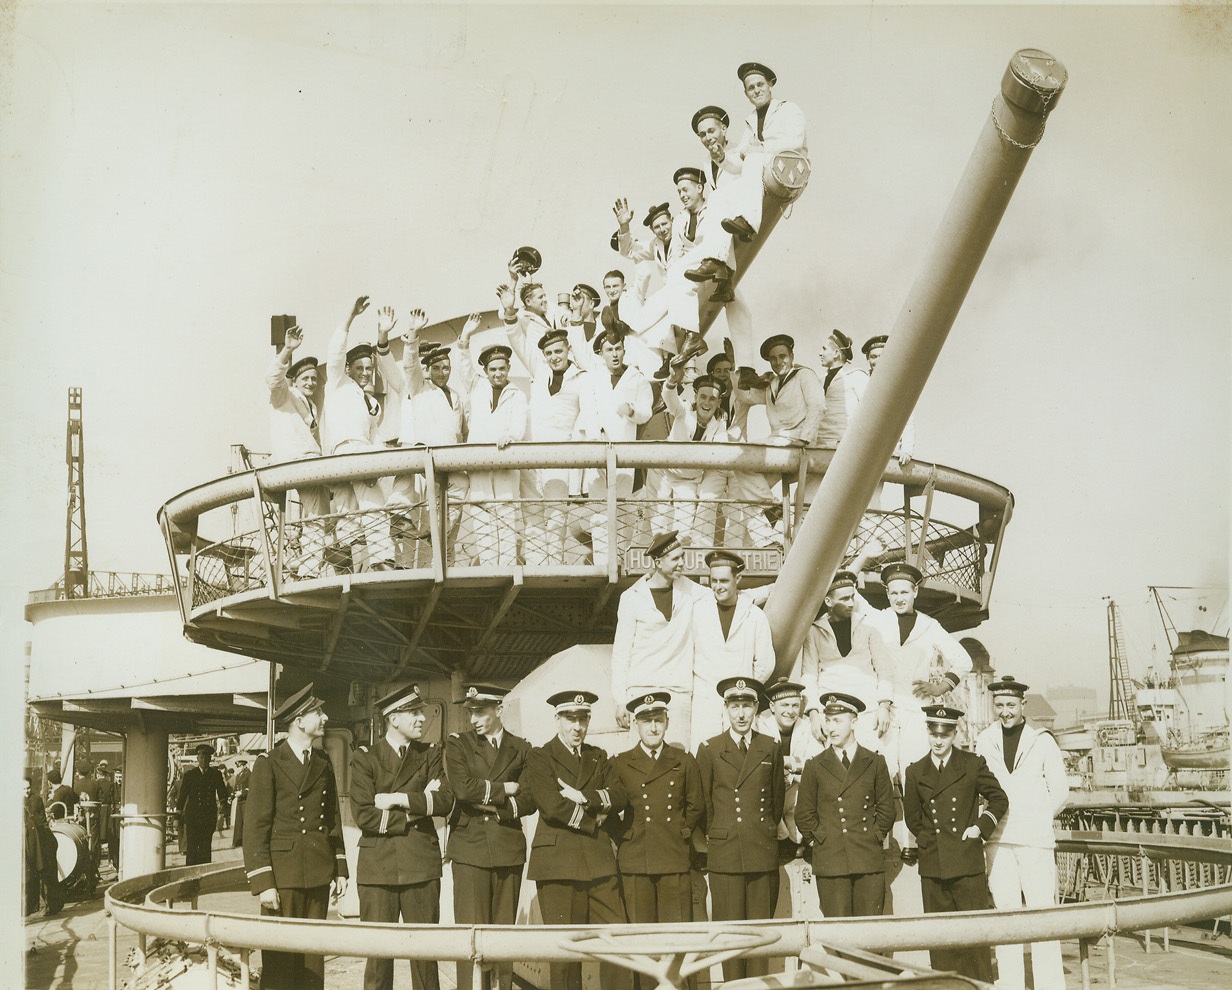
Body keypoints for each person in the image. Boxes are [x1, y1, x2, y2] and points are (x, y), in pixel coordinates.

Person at [243, 684, 349, 990]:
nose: (325, 717)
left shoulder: (322, 761)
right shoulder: (269, 763)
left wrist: (339, 867)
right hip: (283, 877)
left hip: (317, 872)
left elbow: (332, 819)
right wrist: (263, 883)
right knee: (279, 963)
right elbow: (255, 828)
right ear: (300, 721)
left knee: (312, 963)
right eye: (318, 712)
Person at [523, 690, 629, 990]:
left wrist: (584, 796)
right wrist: (594, 818)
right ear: (557, 719)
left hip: (599, 864)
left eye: (583, 719)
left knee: (615, 942)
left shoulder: (598, 756)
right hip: (558, 866)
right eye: (571, 719)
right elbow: (552, 805)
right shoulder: (540, 757)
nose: (577, 727)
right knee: (566, 953)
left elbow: (620, 795)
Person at [351, 682, 454, 990]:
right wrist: (420, 802)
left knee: (425, 959)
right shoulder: (366, 757)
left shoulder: (431, 753)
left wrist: (399, 800)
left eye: (421, 712)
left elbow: (446, 800)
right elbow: (364, 814)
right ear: (393, 718)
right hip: (378, 871)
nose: (422, 718)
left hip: (420, 868)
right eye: (413, 713)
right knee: (378, 962)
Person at [976, 676, 1070, 990]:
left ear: (1022, 705)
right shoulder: (984, 739)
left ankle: (1050, 985)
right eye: (999, 705)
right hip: (999, 841)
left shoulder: (1042, 740)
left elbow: (1060, 792)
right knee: (1006, 917)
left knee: (1043, 915)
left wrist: (1037, 819)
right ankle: (1011, 984)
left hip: (1035, 842)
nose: (1005, 711)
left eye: (1011, 705)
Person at [903, 705, 1007, 983]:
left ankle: (980, 987)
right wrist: (927, 842)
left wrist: (979, 828)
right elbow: (913, 817)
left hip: (967, 865)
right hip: (933, 867)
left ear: (954, 733)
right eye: (934, 733)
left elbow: (999, 799)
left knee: (974, 940)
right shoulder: (914, 771)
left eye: (945, 734)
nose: (938, 740)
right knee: (940, 942)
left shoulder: (972, 764)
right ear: (928, 732)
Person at [444, 683, 535, 990]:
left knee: (503, 936)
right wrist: (506, 789)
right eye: (470, 713)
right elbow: (462, 789)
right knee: (470, 936)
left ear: (499, 709)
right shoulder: (458, 744)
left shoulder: (522, 747)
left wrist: (499, 808)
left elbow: (532, 797)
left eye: (480, 712)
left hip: (507, 846)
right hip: (469, 848)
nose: (473, 720)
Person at [696, 676, 785, 982]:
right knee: (730, 938)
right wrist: (721, 833)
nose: (741, 714)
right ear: (726, 709)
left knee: (759, 939)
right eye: (735, 706)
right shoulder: (709, 749)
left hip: (761, 851)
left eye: (747, 706)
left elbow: (775, 799)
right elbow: (704, 804)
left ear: (756, 708)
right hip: (726, 854)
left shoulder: (770, 747)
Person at [500, 284, 592, 564]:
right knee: (531, 516)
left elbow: (586, 418)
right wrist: (508, 310)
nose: (554, 357)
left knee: (555, 517)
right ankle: (538, 567)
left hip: (559, 456)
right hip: (531, 453)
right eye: (549, 352)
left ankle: (552, 567)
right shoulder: (540, 370)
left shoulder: (581, 377)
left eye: (558, 351)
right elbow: (516, 338)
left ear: (567, 350)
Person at [868, 562, 974, 784]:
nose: (899, 598)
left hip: (916, 710)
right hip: (883, 709)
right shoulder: (876, 619)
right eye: (894, 593)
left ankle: (913, 820)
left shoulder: (929, 625)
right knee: (881, 773)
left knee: (914, 774)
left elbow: (963, 661)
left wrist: (940, 687)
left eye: (905, 592)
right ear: (887, 594)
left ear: (915, 592)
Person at [608, 692, 704, 931]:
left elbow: (696, 806)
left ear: (667, 723)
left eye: (658, 721)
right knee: (641, 939)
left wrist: (680, 833)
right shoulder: (620, 763)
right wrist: (626, 835)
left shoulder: (683, 760)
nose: (653, 728)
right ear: (636, 724)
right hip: (636, 861)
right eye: (646, 721)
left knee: (676, 936)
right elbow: (610, 809)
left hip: (673, 857)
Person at [795, 692, 895, 918]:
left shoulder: (875, 762)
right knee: (836, 936)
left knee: (868, 937)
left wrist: (873, 837)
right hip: (831, 862)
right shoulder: (815, 765)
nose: (831, 728)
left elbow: (888, 811)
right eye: (828, 720)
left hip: (868, 860)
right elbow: (804, 814)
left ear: (854, 721)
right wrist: (821, 841)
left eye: (838, 721)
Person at [322, 296, 405, 568]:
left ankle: (344, 558)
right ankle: (382, 559)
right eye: (360, 368)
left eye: (370, 369)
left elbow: (376, 438)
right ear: (349, 369)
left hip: (360, 451)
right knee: (372, 503)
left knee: (351, 508)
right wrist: (351, 315)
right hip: (344, 450)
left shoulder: (371, 404)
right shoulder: (338, 383)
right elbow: (336, 351)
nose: (366, 373)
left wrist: (378, 462)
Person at [611, 531, 709, 745]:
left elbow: (725, 594)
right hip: (641, 690)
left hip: (678, 692)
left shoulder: (691, 590)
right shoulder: (631, 597)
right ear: (657, 562)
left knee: (678, 759)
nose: (682, 563)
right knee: (641, 764)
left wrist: (771, 588)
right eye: (675, 559)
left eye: (682, 557)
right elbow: (621, 654)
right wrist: (620, 700)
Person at [733, 334, 825, 546]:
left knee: (743, 463)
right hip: (778, 444)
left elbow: (817, 405)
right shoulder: (772, 384)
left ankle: (773, 511)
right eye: (773, 358)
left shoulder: (805, 375)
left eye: (782, 356)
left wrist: (806, 439)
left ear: (792, 356)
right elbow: (745, 397)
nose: (778, 362)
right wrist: (736, 369)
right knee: (748, 489)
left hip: (797, 442)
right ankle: (772, 539)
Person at [455, 316, 529, 566]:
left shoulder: (517, 395)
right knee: (481, 510)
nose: (497, 374)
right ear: (486, 371)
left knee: (507, 511)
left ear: (508, 369)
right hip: (479, 463)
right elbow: (464, 364)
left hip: (505, 460)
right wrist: (465, 336)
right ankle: (489, 567)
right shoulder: (477, 388)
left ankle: (507, 567)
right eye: (492, 369)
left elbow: (519, 423)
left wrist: (512, 437)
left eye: (502, 368)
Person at [688, 549, 775, 749]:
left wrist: (742, 686)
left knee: (739, 758)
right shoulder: (697, 611)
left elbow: (766, 663)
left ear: (738, 578)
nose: (717, 587)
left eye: (724, 581)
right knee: (703, 757)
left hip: (740, 701)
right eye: (714, 581)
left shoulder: (754, 615)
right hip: (705, 701)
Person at [799, 570, 894, 752]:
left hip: (867, 711)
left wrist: (884, 706)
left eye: (852, 597)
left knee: (874, 765)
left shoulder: (869, 626)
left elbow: (884, 670)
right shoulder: (814, 631)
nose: (850, 604)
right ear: (828, 601)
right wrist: (813, 714)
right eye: (844, 599)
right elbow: (809, 675)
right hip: (830, 710)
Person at [719, 61, 809, 243]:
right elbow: (739, 164)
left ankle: (749, 223)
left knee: (752, 158)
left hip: (791, 169)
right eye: (751, 88)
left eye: (760, 84)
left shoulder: (788, 109)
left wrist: (760, 148)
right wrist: (721, 158)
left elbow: (795, 143)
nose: (757, 90)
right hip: (765, 170)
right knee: (719, 195)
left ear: (770, 85)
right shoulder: (751, 121)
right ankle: (717, 258)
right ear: (746, 94)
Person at [400, 314, 469, 541]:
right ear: (428, 370)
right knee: (434, 501)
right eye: (437, 368)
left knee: (460, 485)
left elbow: (463, 431)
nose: (442, 372)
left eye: (446, 368)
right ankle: (437, 534)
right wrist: (413, 335)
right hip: (431, 457)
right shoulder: (421, 388)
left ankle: (440, 532)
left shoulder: (456, 396)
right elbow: (410, 365)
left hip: (453, 458)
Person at [266, 323, 329, 532]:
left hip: (308, 461)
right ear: (296, 381)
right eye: (305, 379)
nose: (311, 383)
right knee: (318, 516)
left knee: (319, 515)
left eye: (313, 379)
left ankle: (318, 556)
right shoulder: (286, 395)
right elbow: (274, 379)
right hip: (295, 460)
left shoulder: (311, 406)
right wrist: (288, 350)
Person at [658, 370, 731, 544]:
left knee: (683, 530)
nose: (707, 403)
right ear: (696, 397)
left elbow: (720, 453)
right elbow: (669, 397)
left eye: (712, 399)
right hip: (665, 473)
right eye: (703, 397)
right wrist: (672, 380)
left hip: (688, 480)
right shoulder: (683, 411)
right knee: (659, 522)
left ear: (719, 402)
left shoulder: (719, 425)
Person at [815, 329, 868, 449]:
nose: (820, 353)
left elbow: (871, 411)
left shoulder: (856, 376)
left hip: (845, 446)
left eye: (824, 349)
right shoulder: (819, 380)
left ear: (835, 353)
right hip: (819, 445)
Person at [177, 744, 229, 866]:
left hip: (208, 817)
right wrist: (177, 817)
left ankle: (204, 876)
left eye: (206, 758)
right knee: (192, 848)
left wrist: (223, 804)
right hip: (193, 817)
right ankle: (190, 875)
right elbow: (182, 797)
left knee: (205, 848)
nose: (204, 760)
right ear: (197, 759)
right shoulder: (190, 775)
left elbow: (222, 793)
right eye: (201, 757)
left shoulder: (215, 774)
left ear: (210, 759)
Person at [24, 776, 63, 917]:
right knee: (34, 874)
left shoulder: (35, 800)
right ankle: (34, 906)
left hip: (43, 841)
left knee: (47, 874)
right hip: (34, 842)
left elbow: (38, 821)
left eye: (28, 788)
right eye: (23, 789)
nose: (26, 791)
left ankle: (52, 905)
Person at [231, 758, 251, 848]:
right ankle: (238, 841)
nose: (238, 768)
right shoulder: (238, 775)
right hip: (240, 801)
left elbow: (251, 787)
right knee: (238, 821)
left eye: (239, 766)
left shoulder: (248, 774)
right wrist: (231, 797)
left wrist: (242, 793)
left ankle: (247, 841)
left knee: (246, 820)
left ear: (243, 765)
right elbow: (235, 788)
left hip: (246, 801)